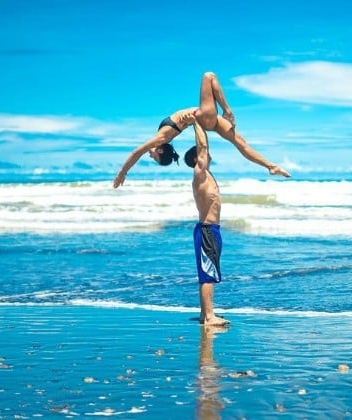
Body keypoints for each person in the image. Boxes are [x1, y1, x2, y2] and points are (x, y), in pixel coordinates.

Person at [112, 72, 291, 188]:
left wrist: (122, 173)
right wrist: (122, 173)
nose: (150, 155)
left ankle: (271, 166)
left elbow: (138, 152)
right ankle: (227, 110)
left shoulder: (163, 139)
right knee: (208, 76)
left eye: (152, 157)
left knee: (241, 144)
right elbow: (137, 152)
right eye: (154, 157)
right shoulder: (161, 138)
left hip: (206, 120)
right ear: (160, 149)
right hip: (203, 117)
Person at [184, 114, 228, 326]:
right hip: (207, 230)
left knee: (209, 272)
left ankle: (205, 314)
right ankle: (209, 316)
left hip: (212, 230)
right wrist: (197, 123)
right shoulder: (199, 173)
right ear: (197, 159)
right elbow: (202, 146)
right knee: (207, 274)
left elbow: (203, 148)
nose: (209, 156)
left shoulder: (207, 175)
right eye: (204, 154)